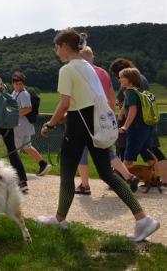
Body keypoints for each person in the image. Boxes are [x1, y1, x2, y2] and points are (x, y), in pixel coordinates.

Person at [38, 28, 159, 242]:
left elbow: (65, 103)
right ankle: (143, 219)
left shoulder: (67, 69)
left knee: (67, 172)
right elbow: (87, 103)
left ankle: (59, 220)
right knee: (107, 172)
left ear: (65, 46)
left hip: (78, 126)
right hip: (97, 123)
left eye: (57, 48)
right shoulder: (88, 66)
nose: (56, 52)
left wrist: (50, 123)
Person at [75, 47, 139, 195]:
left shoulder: (80, 72)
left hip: (85, 116)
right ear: (92, 57)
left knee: (82, 151)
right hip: (103, 115)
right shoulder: (103, 72)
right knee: (105, 150)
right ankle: (128, 176)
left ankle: (85, 185)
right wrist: (111, 116)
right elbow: (111, 97)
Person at [110, 58, 167, 184]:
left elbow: (132, 108)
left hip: (135, 126)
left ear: (127, 76)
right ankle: (156, 178)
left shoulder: (130, 90)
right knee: (149, 152)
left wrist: (124, 125)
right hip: (146, 123)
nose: (118, 79)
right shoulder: (141, 81)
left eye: (119, 76)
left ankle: (123, 180)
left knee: (129, 155)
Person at [11, 72, 52, 176]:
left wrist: (14, 114)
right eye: (16, 84)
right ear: (13, 84)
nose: (18, 86)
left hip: (21, 126)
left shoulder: (23, 94)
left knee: (15, 149)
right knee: (27, 146)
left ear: (24, 84)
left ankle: (15, 172)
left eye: (20, 84)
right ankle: (43, 164)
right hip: (22, 125)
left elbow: (28, 109)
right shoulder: (15, 92)